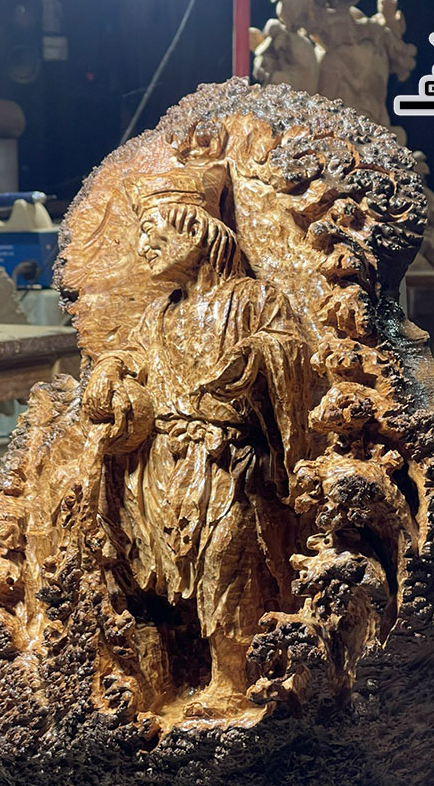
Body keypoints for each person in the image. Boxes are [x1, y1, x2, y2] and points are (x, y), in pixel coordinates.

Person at [82, 165, 313, 719]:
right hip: (161, 462)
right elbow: (135, 354)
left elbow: (289, 350)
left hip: (228, 460)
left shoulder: (254, 300)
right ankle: (166, 673)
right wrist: (111, 367)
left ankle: (231, 680)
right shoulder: (159, 313)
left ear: (196, 229)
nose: (142, 248)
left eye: (152, 232)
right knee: (164, 573)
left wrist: (258, 355)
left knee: (227, 565)